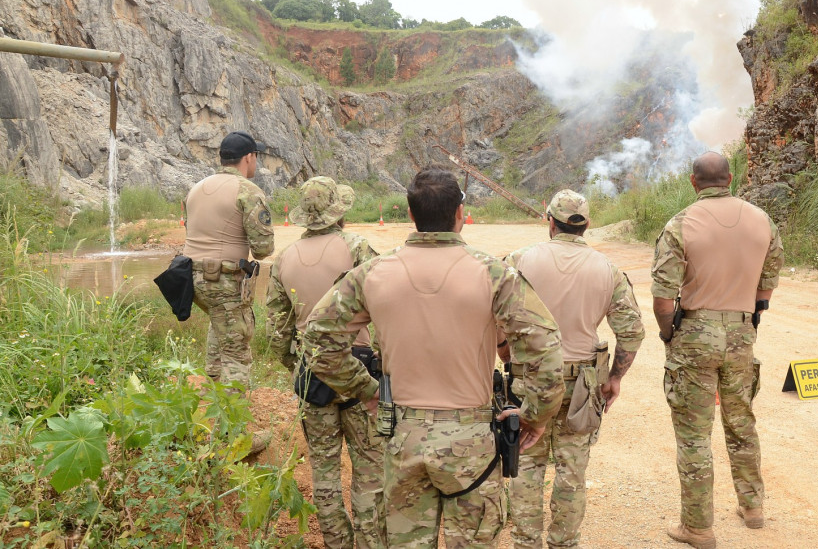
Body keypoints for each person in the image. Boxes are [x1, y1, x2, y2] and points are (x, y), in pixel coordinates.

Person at [301, 164, 565, 548]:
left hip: (402, 436)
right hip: (471, 443)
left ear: (410, 215)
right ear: (460, 214)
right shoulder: (495, 274)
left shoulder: (371, 273)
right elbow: (546, 350)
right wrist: (535, 415)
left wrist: (367, 391)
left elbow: (317, 340)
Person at [651, 152, 784, 549]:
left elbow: (662, 300)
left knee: (694, 434)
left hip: (694, 332)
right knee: (741, 422)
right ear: (731, 178)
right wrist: (750, 319)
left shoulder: (680, 225)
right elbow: (767, 284)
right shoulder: (763, 221)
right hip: (741, 332)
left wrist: (669, 334)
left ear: (694, 182)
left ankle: (698, 527)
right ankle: (752, 507)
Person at [500, 189, 645, 549]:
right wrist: (614, 378)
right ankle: (564, 543)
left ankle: (525, 542)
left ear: (549, 221)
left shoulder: (517, 261)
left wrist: (507, 355)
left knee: (525, 467)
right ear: (587, 225)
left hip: (529, 377)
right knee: (572, 470)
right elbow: (632, 330)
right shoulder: (608, 269)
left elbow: (493, 320)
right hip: (583, 384)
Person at [266, 176, 385, 549]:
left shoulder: (283, 258)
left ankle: (337, 542)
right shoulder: (357, 247)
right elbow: (386, 304)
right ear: (339, 211)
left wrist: (296, 364)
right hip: (358, 368)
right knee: (369, 470)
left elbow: (276, 328)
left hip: (311, 371)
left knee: (324, 472)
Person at [183, 130, 274, 452]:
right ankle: (234, 438)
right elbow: (263, 249)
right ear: (248, 158)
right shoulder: (247, 190)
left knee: (219, 332)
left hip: (191, 280)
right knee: (237, 351)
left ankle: (215, 408)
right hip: (223, 280)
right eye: (256, 157)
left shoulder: (197, 188)